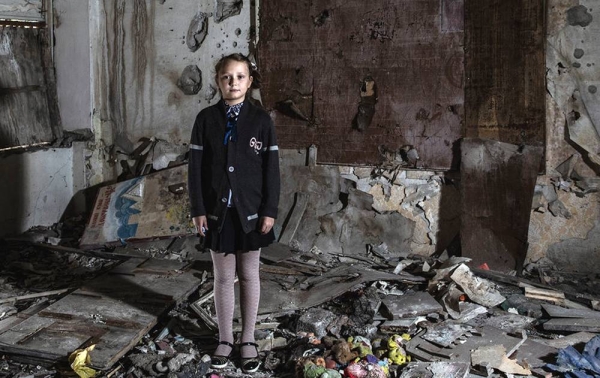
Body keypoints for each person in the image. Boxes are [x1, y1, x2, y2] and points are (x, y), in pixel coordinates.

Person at [187, 53, 280, 373]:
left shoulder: (261, 120)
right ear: (218, 81)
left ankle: (248, 339)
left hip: (251, 212)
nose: (233, 82)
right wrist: (198, 209)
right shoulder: (205, 119)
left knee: (250, 274)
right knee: (224, 277)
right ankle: (225, 339)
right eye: (227, 77)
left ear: (249, 81)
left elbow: (272, 170)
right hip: (217, 213)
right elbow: (195, 169)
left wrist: (269, 210)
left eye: (240, 77)